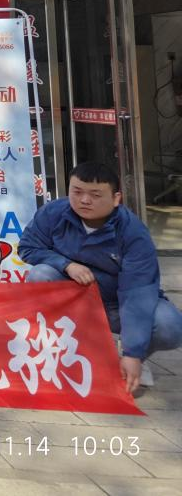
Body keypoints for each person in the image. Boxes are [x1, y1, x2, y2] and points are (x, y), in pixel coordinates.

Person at [20, 161, 182, 394]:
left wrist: (133, 352)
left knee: (170, 326)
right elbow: (28, 247)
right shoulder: (53, 213)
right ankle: (67, 355)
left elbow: (137, 292)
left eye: (95, 195)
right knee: (41, 274)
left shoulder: (133, 233)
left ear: (116, 198)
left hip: (117, 304)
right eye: (77, 192)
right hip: (75, 299)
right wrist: (66, 265)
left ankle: (131, 361)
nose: (84, 200)